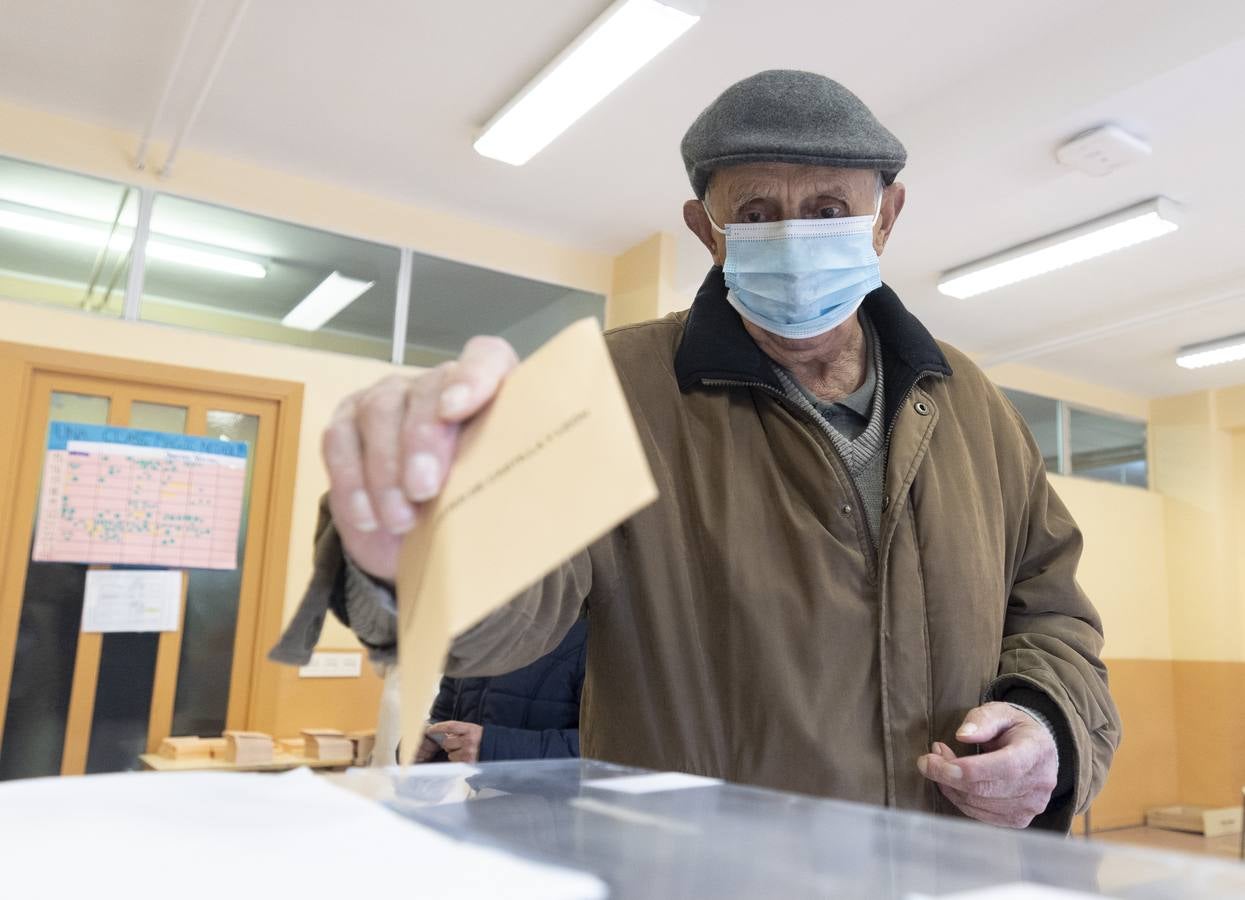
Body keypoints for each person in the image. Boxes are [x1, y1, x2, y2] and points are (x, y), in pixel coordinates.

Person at [273, 70, 1121, 832]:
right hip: (701, 873)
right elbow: (499, 618)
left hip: (949, 870)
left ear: (885, 216)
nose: (793, 237)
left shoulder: (968, 403)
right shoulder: (610, 388)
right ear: (706, 228)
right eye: (757, 212)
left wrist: (1046, 725)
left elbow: (1049, 611)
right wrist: (412, 536)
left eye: (828, 209)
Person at [415, 618, 586, 764]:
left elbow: (602, 752)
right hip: (475, 799)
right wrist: (425, 747)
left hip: (558, 801)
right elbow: (443, 718)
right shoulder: (471, 635)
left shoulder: (591, 636)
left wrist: (490, 747)